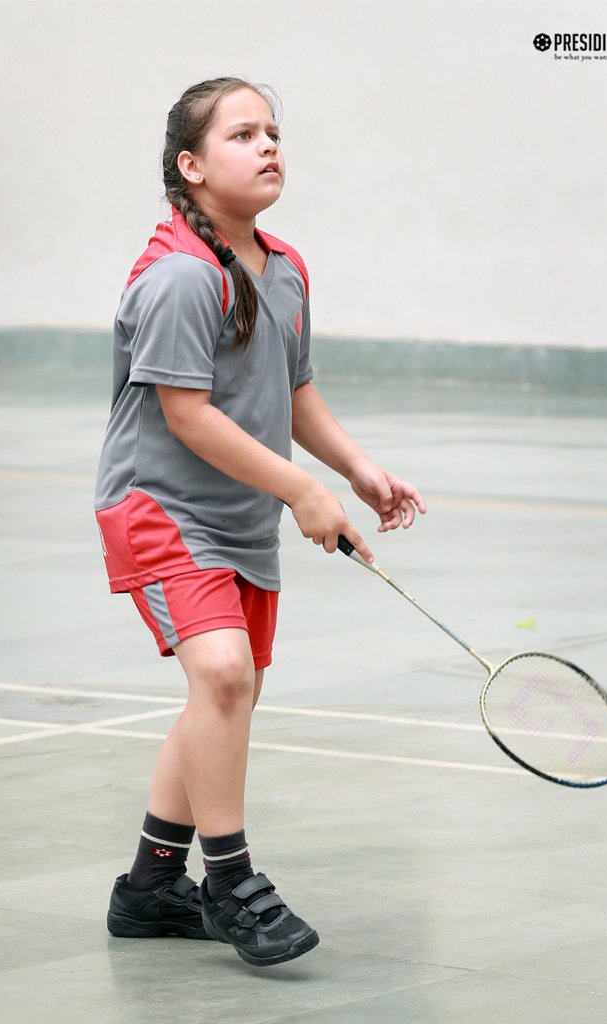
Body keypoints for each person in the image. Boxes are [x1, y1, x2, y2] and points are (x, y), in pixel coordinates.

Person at [94, 76, 425, 968]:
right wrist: (299, 491)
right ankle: (231, 882)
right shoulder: (177, 277)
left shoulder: (284, 267)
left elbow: (294, 388)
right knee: (226, 677)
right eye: (243, 135)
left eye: (273, 131)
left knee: (223, 695)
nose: (269, 145)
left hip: (238, 515)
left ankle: (149, 888)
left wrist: (353, 472)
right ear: (191, 167)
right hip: (158, 508)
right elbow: (188, 416)